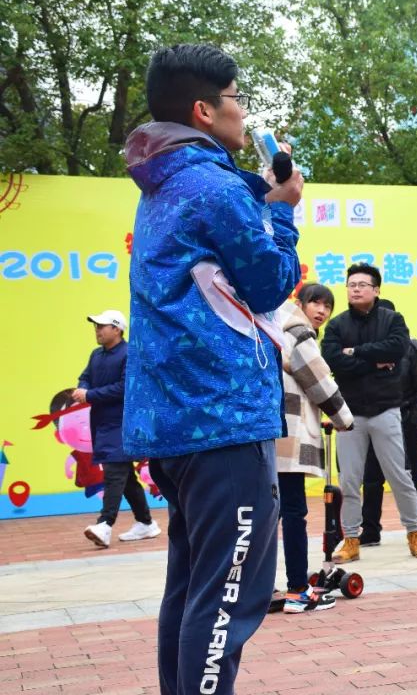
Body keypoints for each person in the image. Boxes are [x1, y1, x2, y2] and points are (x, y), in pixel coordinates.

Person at [124, 44, 303, 695]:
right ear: (204, 110)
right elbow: (269, 284)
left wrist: (262, 191)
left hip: (178, 421)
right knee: (231, 595)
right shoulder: (213, 187)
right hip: (222, 419)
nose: (244, 110)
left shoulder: (169, 181)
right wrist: (283, 211)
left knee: (195, 588)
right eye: (236, 98)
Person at [321, 263, 417, 561]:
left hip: (386, 409)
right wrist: (373, 361)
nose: (355, 289)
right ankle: (351, 539)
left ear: (376, 290)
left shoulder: (392, 319)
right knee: (349, 480)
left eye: (362, 284)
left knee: (400, 475)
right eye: (351, 284)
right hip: (349, 414)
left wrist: (355, 352)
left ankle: (414, 533)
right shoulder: (337, 324)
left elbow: (397, 349)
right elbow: (332, 359)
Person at [274, 284, 353, 614]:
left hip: (266, 435)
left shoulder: (272, 328)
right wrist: (343, 418)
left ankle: (263, 588)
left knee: (268, 514)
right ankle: (297, 590)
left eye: (327, 306)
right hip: (288, 436)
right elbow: (319, 379)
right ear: (300, 304)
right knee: (294, 512)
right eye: (315, 303)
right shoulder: (298, 332)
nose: (321, 311)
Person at [78, 309, 158, 548]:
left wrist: (90, 394)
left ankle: (105, 524)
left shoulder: (129, 354)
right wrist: (83, 389)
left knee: (114, 471)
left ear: (117, 329)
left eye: (102, 326)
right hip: (102, 424)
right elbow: (84, 377)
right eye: (96, 326)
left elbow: (125, 388)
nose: (97, 330)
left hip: (123, 424)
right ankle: (146, 523)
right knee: (125, 476)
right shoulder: (96, 355)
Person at [361, 336, 417, 544]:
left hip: (404, 422)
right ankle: (370, 530)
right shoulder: (365, 347)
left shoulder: (412, 348)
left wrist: (414, 421)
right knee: (371, 476)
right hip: (372, 419)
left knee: (415, 474)